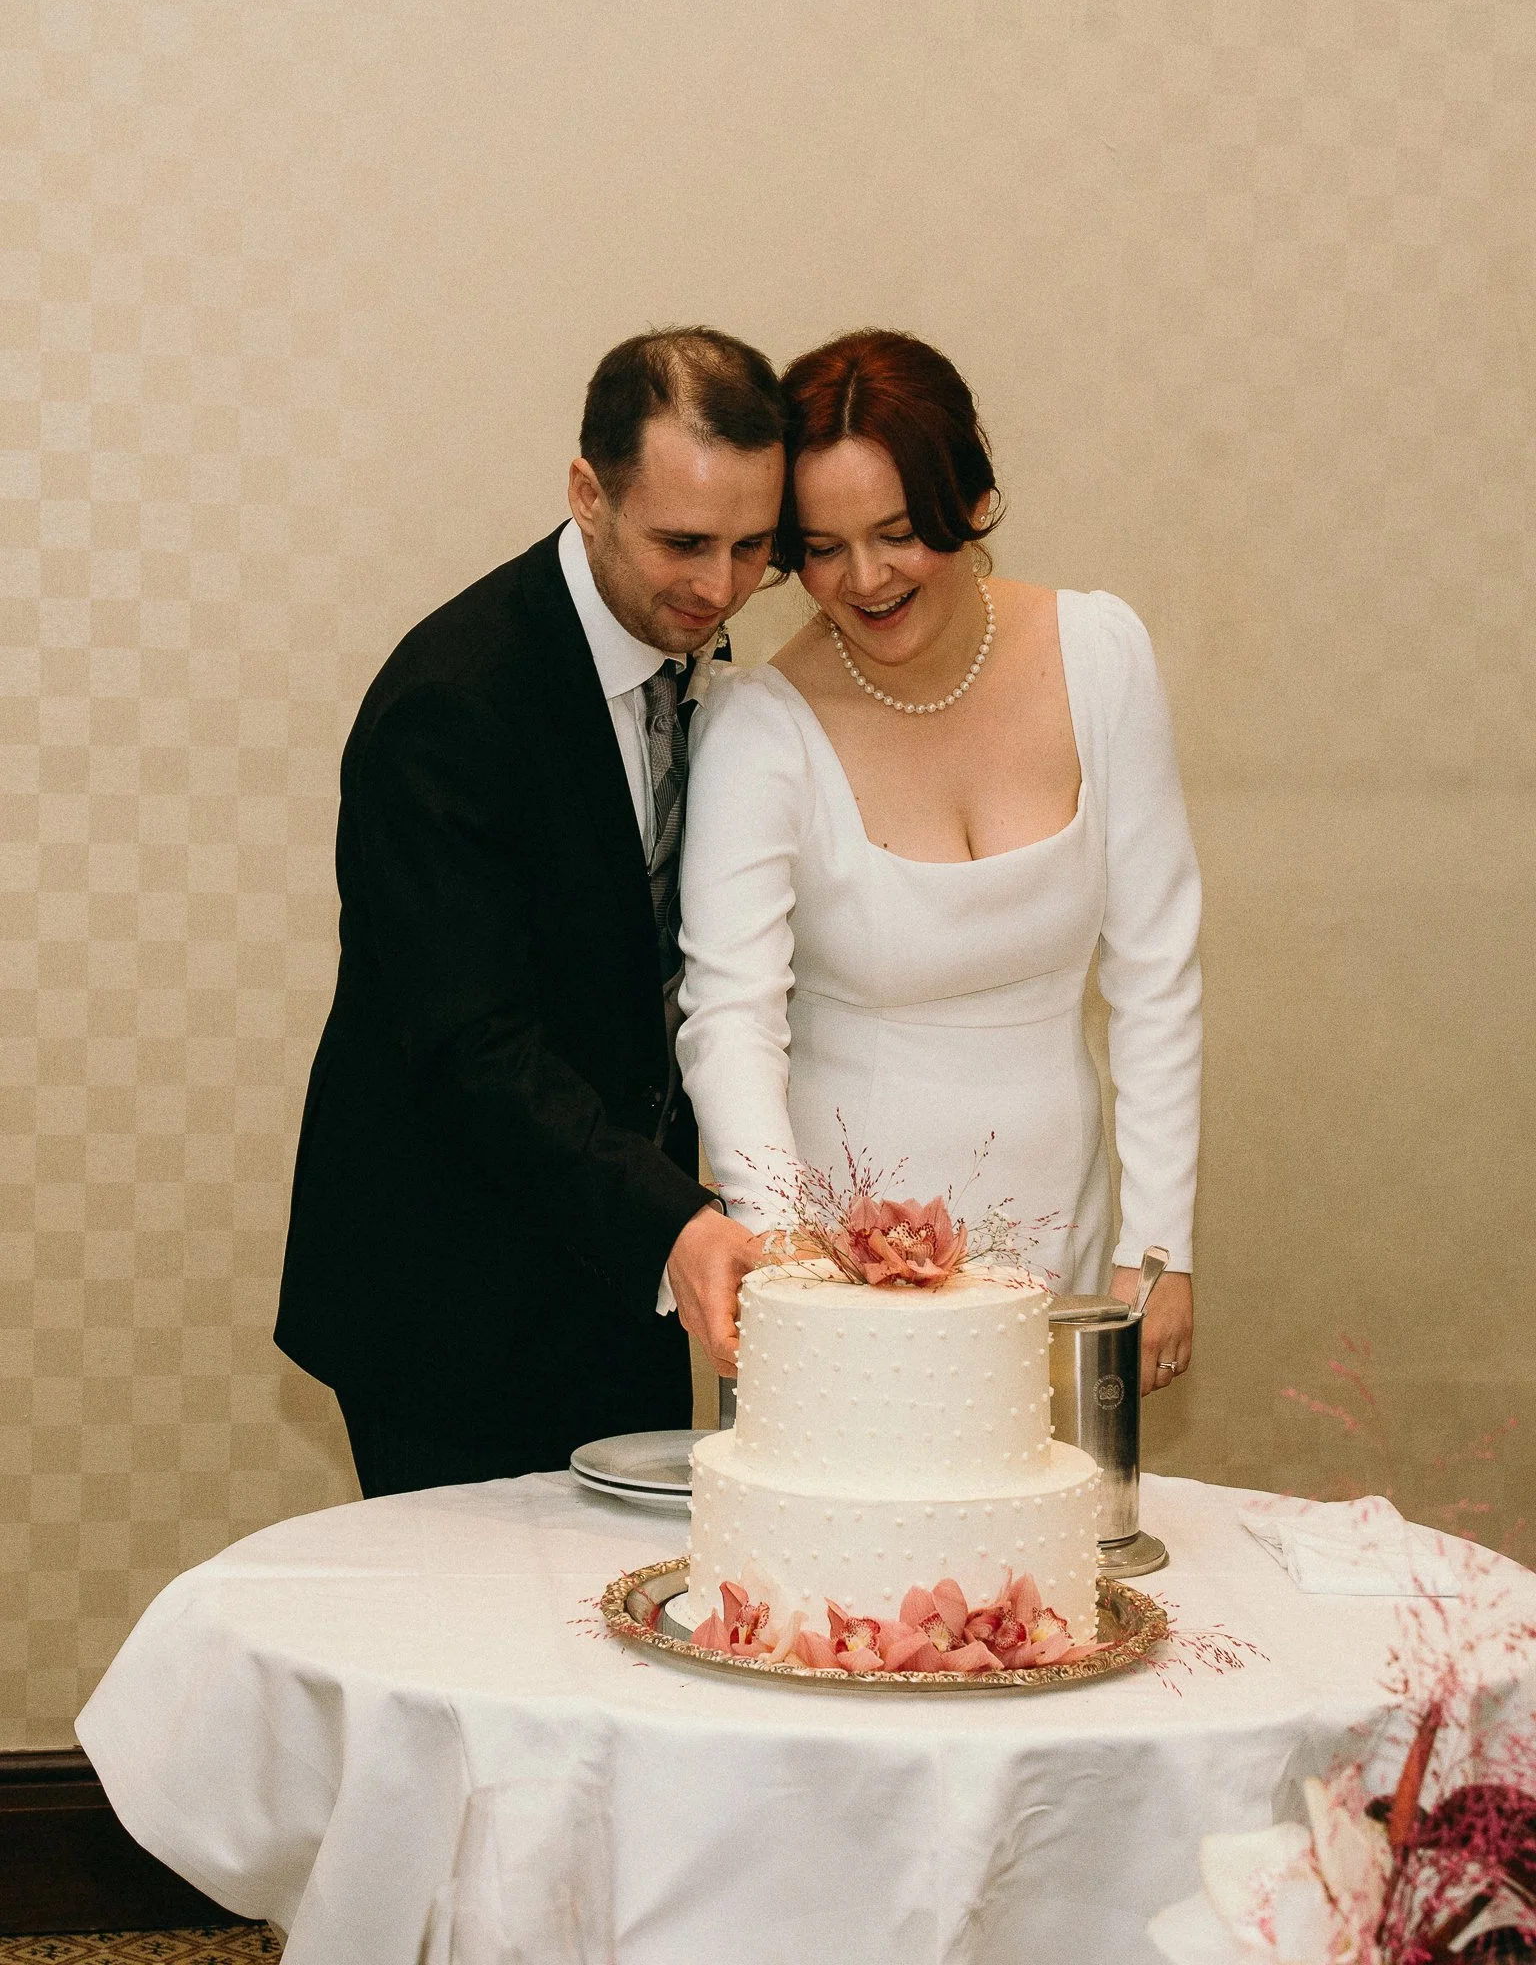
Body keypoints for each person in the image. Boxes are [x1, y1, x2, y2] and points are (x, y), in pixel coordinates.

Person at [275, 327, 781, 1495]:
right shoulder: (451, 702)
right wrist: (675, 1219)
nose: (718, 587)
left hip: (624, 1279)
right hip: (449, 1296)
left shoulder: (712, 661)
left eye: (755, 546)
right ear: (587, 494)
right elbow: (471, 1041)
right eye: (684, 543)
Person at [676, 329, 1201, 1395]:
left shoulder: (1101, 654)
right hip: (834, 1256)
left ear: (971, 498)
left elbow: (1157, 974)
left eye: (901, 532)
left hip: (1063, 1218)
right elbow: (731, 1014)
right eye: (821, 547)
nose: (864, 579)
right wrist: (783, 1252)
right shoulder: (755, 726)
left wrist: (1157, 1247)